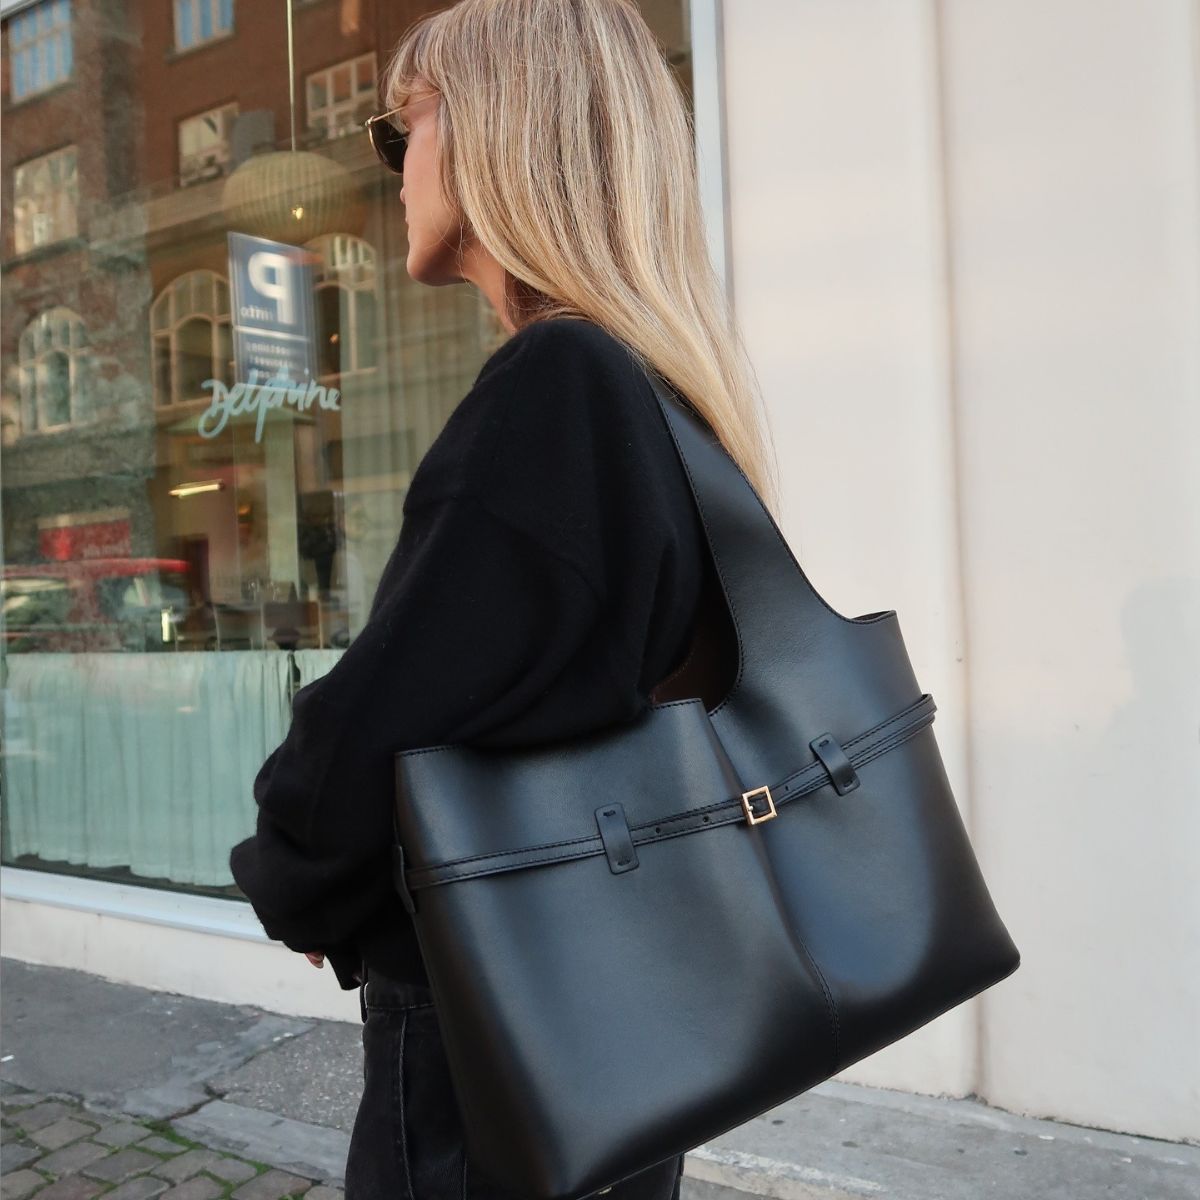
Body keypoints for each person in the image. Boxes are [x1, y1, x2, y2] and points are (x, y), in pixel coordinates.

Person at [228, 2, 780, 1198]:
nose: (395, 166)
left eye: (404, 126)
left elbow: (387, 718)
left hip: (501, 1026)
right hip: (619, 1005)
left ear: (493, 136)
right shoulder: (660, 387)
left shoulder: (562, 382)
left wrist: (293, 865)